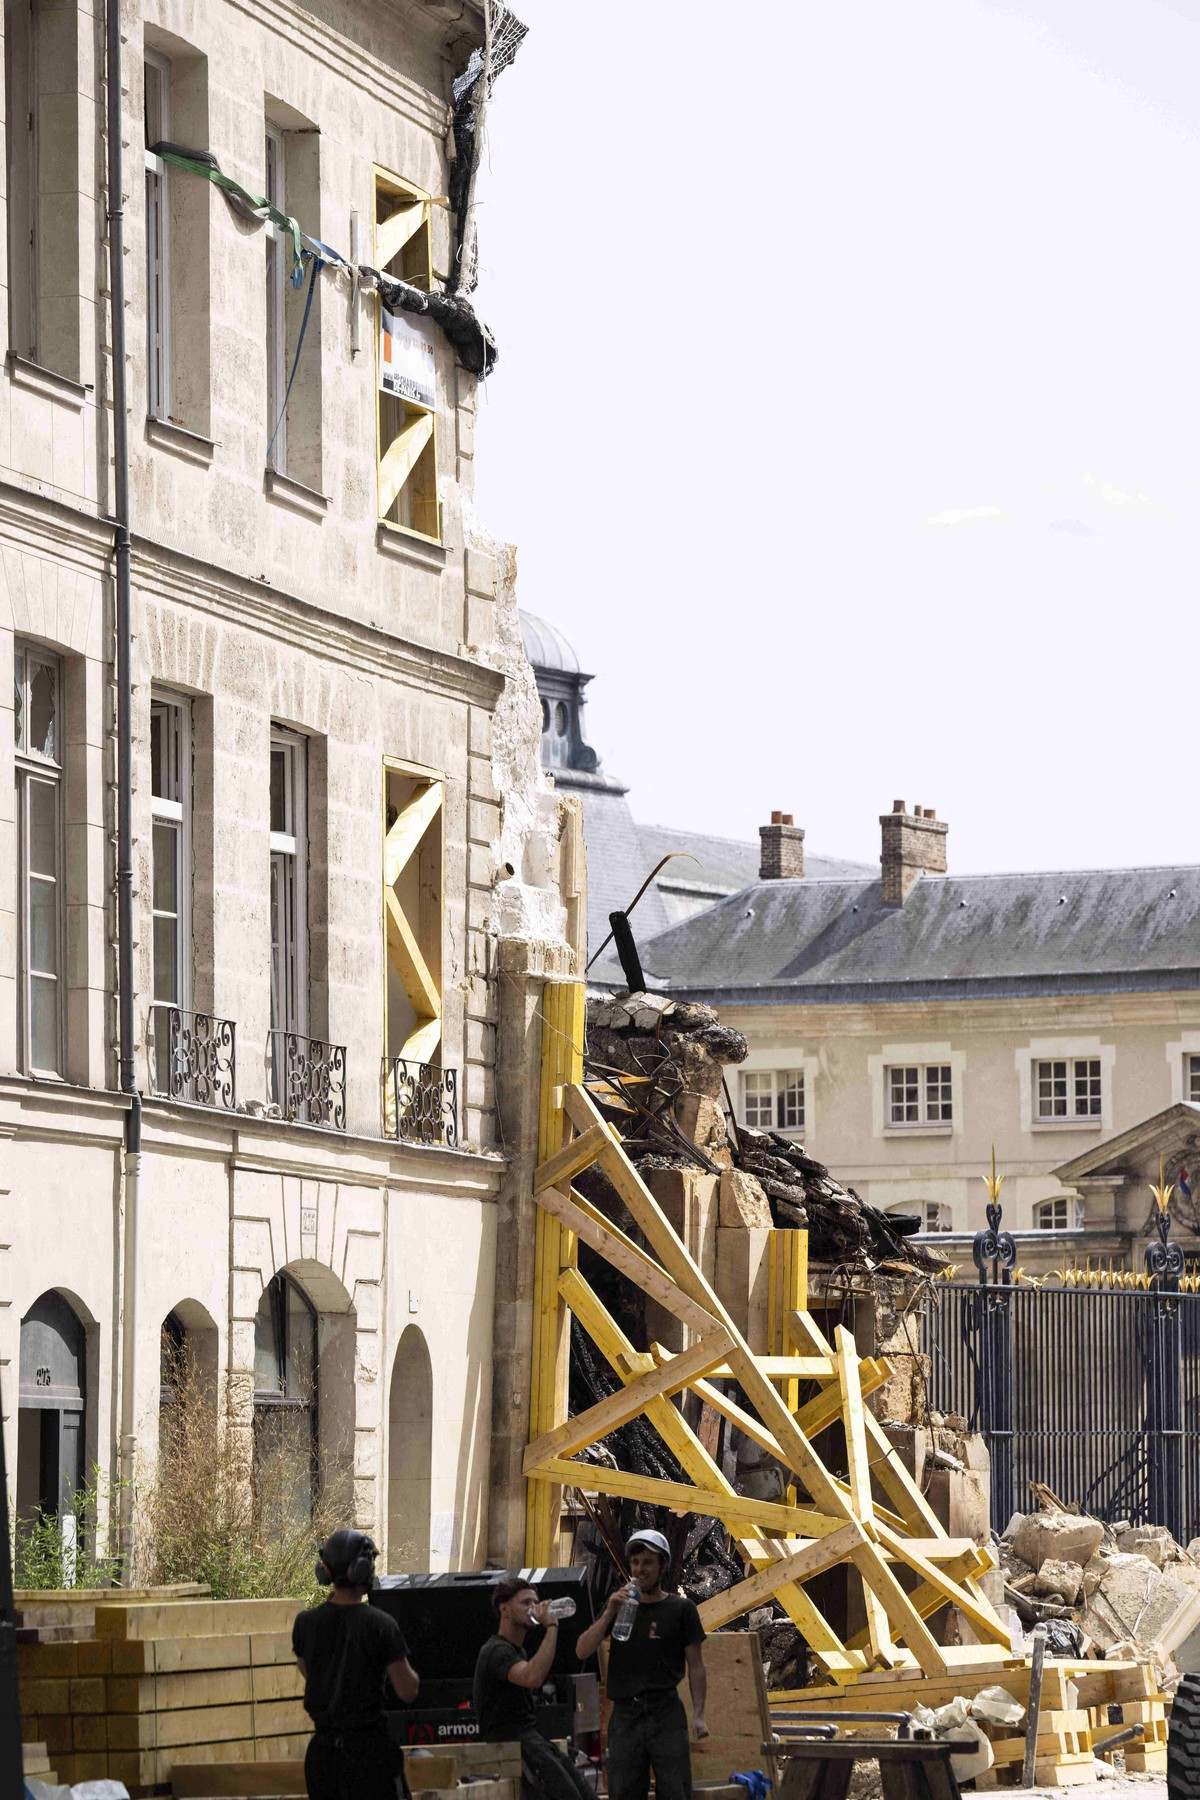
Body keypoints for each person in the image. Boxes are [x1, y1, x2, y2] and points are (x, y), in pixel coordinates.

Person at [575, 1528, 707, 1800]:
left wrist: (698, 1715)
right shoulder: (620, 1606)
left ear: (662, 1566)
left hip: (665, 1713)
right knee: (624, 1790)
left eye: (647, 1562)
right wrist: (609, 1611)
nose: (640, 1569)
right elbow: (582, 1650)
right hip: (626, 1716)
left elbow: (696, 1665)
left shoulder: (681, 1610)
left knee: (675, 1790)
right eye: (635, 1563)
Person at [292, 1528, 420, 1800]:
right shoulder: (381, 1624)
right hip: (369, 1755)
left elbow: (308, 1672)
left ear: (325, 1570)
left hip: (322, 1757)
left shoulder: (305, 1623)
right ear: (364, 1570)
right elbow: (408, 1690)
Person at [473, 1575, 594, 1800]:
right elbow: (532, 1677)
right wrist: (552, 1627)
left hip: (531, 1739)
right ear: (504, 1609)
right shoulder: (496, 1650)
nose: (533, 1608)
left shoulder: (517, 1651)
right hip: (512, 1743)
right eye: (525, 1602)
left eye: (535, 1602)